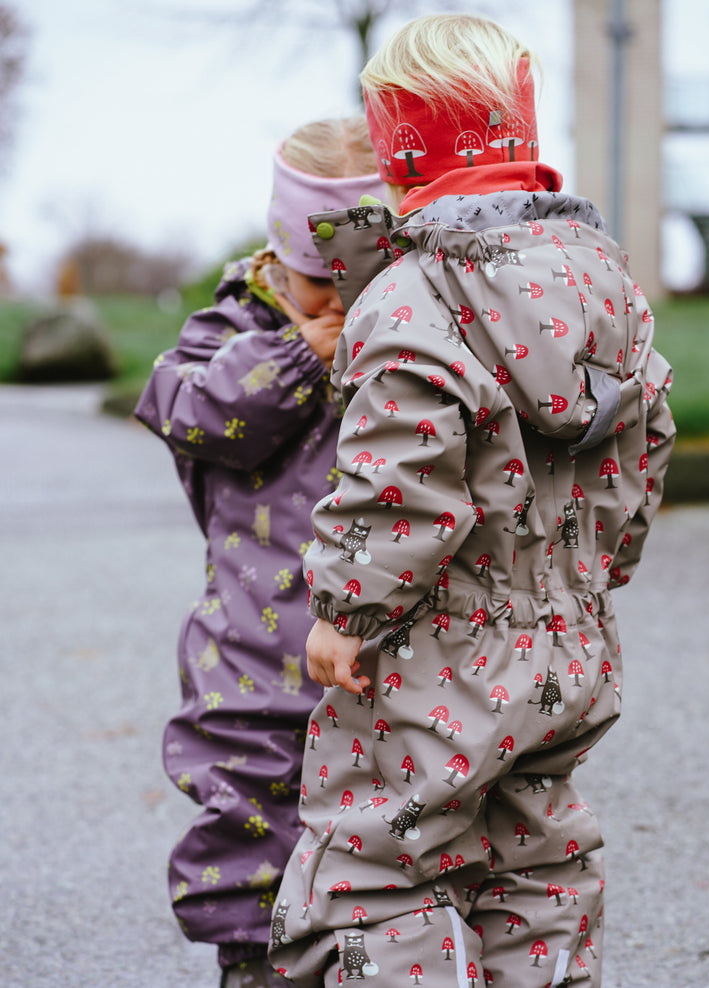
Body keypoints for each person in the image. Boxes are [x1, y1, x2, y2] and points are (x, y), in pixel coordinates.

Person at [267, 14, 676, 988]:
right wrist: (595, 568)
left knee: (377, 857)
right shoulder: (603, 283)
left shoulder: (410, 298)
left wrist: (344, 611)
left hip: (434, 659)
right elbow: (645, 434)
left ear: (402, 166)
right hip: (567, 644)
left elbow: (398, 482)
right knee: (536, 853)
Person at [134, 117, 387, 988]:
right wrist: (294, 357)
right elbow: (192, 409)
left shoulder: (399, 332)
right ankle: (255, 965)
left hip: (370, 653)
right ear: (281, 263)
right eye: (320, 283)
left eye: (364, 280)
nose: (340, 304)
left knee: (377, 838)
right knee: (251, 827)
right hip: (251, 652)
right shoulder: (237, 326)